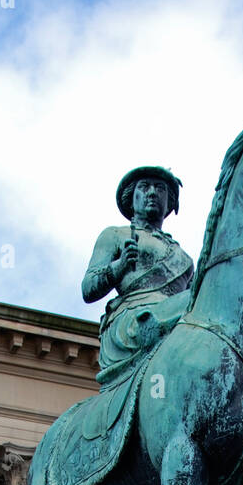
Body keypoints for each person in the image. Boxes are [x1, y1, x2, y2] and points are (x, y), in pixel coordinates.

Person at [81, 165, 193, 386]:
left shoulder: (184, 256)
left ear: (169, 201)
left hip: (179, 315)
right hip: (134, 318)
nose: (152, 192)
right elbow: (88, 288)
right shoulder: (115, 234)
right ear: (132, 199)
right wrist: (119, 267)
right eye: (144, 187)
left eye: (160, 188)